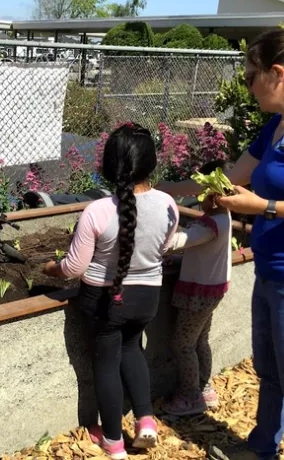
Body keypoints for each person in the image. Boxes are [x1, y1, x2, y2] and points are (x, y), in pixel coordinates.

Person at [159, 29, 284, 460]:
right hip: (270, 269)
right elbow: (232, 176)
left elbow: (257, 197)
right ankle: (262, 448)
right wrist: (160, 188)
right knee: (269, 369)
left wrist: (263, 206)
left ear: (277, 73)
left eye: (252, 76)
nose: (248, 85)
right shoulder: (273, 127)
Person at [43, 123, 179, 459]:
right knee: (133, 349)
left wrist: (52, 268)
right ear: (150, 164)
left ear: (109, 165)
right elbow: (166, 246)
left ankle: (114, 441)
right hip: (147, 296)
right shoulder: (168, 204)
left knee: (106, 364)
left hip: (105, 301)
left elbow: (74, 268)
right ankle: (146, 422)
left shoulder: (97, 211)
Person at [160, 160, 232, 417]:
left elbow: (179, 241)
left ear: (212, 194)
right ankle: (204, 388)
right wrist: (179, 260)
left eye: (199, 193)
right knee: (200, 339)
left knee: (182, 344)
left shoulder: (210, 225)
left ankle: (190, 397)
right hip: (210, 289)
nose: (197, 198)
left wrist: (157, 235)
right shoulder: (222, 218)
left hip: (198, 294)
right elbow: (203, 253)